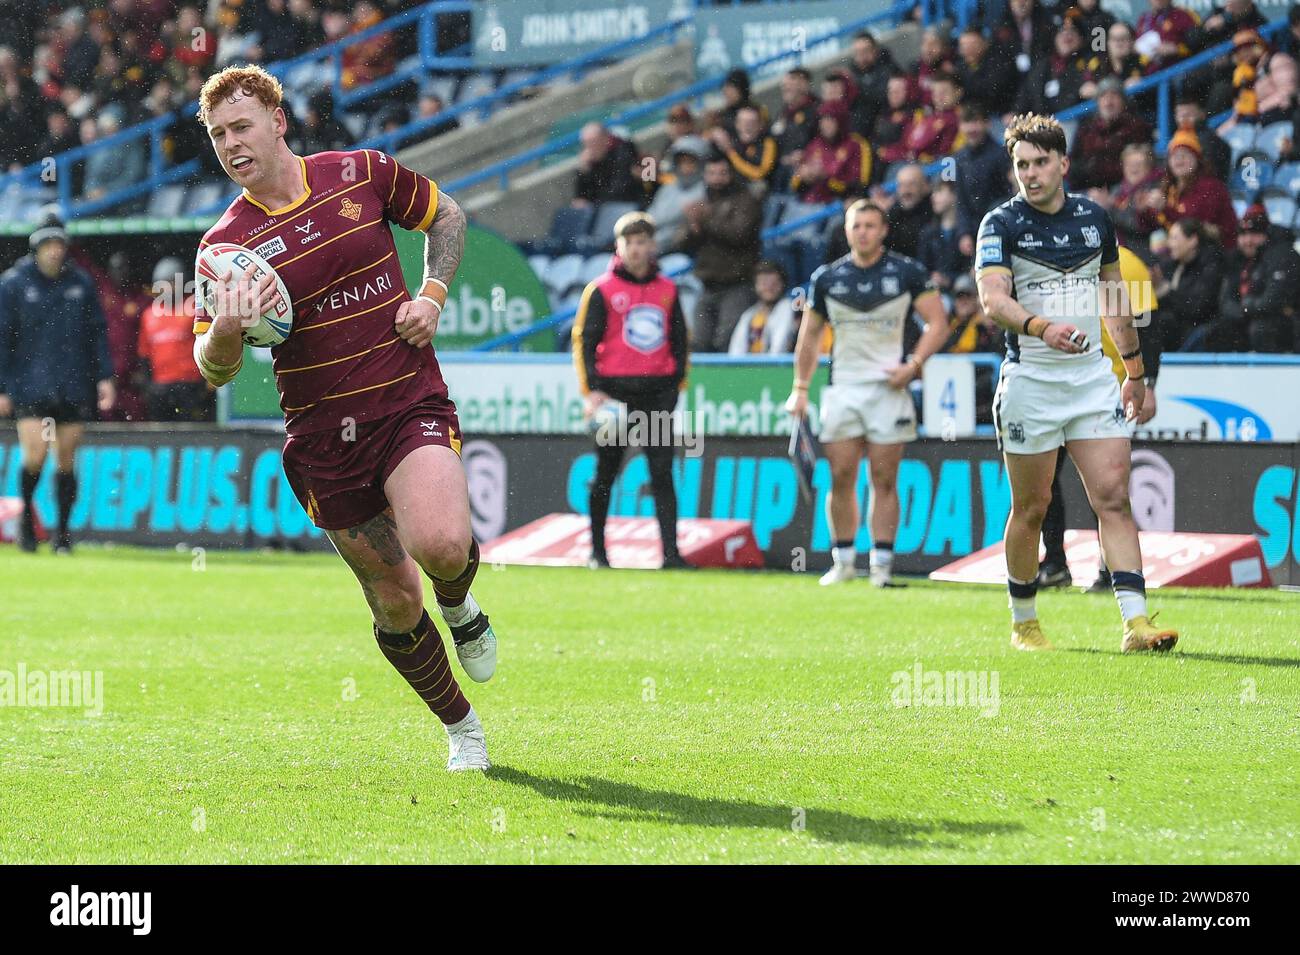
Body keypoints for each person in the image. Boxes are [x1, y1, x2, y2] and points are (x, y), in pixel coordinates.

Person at [191, 64, 496, 772]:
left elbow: (447, 214)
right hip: (325, 439)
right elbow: (213, 368)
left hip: (405, 401)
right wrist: (228, 333)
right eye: (217, 135)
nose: (231, 143)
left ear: (277, 120)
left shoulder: (362, 172)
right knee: (393, 600)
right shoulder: (223, 249)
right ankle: (463, 729)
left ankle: (461, 607)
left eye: (241, 126)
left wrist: (433, 294)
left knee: (443, 544)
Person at [974, 113, 1178, 653]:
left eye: (1041, 162)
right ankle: (1024, 621)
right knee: (1032, 508)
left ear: (1063, 164)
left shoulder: (1094, 218)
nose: (1031, 174)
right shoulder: (1000, 223)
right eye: (1022, 165)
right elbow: (992, 300)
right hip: (1031, 381)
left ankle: (1136, 623)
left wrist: (1134, 373)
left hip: (1092, 380)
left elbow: (1114, 298)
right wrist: (1043, 327)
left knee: (1114, 497)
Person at [784, 199, 951, 588]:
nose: (863, 232)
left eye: (870, 225)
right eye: (856, 225)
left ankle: (881, 567)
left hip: (888, 391)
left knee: (884, 478)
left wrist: (913, 366)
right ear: (846, 230)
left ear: (883, 230)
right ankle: (842, 562)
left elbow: (939, 324)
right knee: (841, 476)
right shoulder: (827, 278)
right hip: (843, 389)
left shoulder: (907, 272)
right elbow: (808, 339)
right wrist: (800, 389)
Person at [1039, 243, 1162, 590]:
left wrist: (1146, 382)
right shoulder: (1043, 258)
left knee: (1106, 483)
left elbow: (1149, 329)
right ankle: (1054, 563)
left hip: (1104, 386)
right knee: (1043, 480)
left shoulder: (1129, 265)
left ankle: (1111, 567)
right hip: (1053, 383)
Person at [571, 212, 689, 569]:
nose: (636, 249)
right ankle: (598, 552)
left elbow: (680, 341)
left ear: (652, 246)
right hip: (615, 397)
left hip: (656, 396)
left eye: (642, 242)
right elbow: (584, 341)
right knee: (606, 473)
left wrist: (675, 387)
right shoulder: (602, 289)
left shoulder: (668, 290)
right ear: (619, 247)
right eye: (629, 242)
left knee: (662, 473)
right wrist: (591, 390)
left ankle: (671, 555)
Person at [0, 206, 115, 553]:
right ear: (36, 247)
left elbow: (97, 334)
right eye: (48, 243)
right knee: (34, 455)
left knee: (66, 459)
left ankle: (62, 534)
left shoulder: (81, 284)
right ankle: (26, 526)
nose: (55, 250)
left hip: (72, 385)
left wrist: (105, 377)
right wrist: (3, 387)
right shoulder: (13, 285)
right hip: (30, 387)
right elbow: (3, 338)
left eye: (59, 243)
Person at [678, 152, 762, 352]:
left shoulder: (746, 200)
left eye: (722, 173)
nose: (717, 178)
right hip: (707, 284)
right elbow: (682, 243)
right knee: (698, 342)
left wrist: (705, 219)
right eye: (712, 173)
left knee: (727, 341)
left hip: (737, 284)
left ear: (731, 174)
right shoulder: (700, 204)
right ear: (705, 176)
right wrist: (693, 227)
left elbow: (739, 234)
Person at [1211, 205, 1300, 352]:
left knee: (1261, 329)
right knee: (1216, 330)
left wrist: (1247, 306)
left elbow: (1273, 302)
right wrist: (1246, 311)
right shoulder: (1236, 259)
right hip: (1248, 319)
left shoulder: (1281, 255)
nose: (1248, 241)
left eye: (1254, 234)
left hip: (1282, 325)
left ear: (1266, 234)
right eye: (1243, 234)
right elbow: (1225, 302)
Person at [138, 257, 215, 421]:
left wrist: (208, 381)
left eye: (171, 283)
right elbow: (144, 355)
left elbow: (209, 346)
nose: (167, 289)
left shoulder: (194, 308)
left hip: (190, 386)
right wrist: (148, 387)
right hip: (160, 388)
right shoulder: (149, 315)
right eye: (162, 284)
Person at [1137, 125, 1236, 251]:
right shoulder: (1169, 187)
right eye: (1174, 155)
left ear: (1197, 160)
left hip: (1215, 254)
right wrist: (1144, 211)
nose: (1179, 159)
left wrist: (1164, 208)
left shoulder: (1211, 187)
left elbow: (1194, 228)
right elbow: (1152, 226)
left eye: (1185, 154)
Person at [1152, 217, 1225, 350]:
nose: (1169, 244)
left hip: (1199, 333)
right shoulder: (1172, 264)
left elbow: (1198, 307)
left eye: (1174, 238)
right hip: (1177, 331)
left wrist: (1166, 292)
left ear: (1192, 240)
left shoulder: (1211, 264)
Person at [1067, 79, 1152, 191]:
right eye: (1103, 97)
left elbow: (1137, 165)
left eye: (1114, 96)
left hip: (1123, 190)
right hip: (1089, 190)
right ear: (1098, 102)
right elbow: (1073, 165)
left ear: (1123, 101)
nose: (1108, 102)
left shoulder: (1136, 126)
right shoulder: (1086, 129)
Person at [790, 101, 872, 204]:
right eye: (823, 120)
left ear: (840, 121)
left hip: (839, 205)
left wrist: (826, 178)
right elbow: (795, 186)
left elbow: (862, 185)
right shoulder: (815, 144)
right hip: (810, 204)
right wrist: (803, 176)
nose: (826, 125)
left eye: (830, 120)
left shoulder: (856, 144)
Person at [729, 261, 797, 354]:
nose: (769, 288)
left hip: (778, 366)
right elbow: (736, 350)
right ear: (755, 285)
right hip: (751, 366)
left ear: (782, 285)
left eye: (774, 283)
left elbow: (779, 347)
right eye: (764, 283)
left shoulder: (787, 307)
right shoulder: (749, 314)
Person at [574, 121, 643, 207]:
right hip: (602, 206)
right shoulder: (590, 161)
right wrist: (583, 172)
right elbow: (581, 196)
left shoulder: (622, 152)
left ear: (606, 139)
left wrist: (593, 204)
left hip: (626, 203)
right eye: (586, 144)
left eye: (593, 143)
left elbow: (621, 189)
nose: (589, 149)